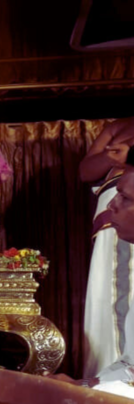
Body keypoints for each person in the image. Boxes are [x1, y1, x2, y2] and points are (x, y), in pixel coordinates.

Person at [80, 118, 134, 378]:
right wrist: (113, 158)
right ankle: (104, 379)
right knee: (110, 299)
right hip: (116, 215)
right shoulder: (120, 126)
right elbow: (85, 171)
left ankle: (116, 386)